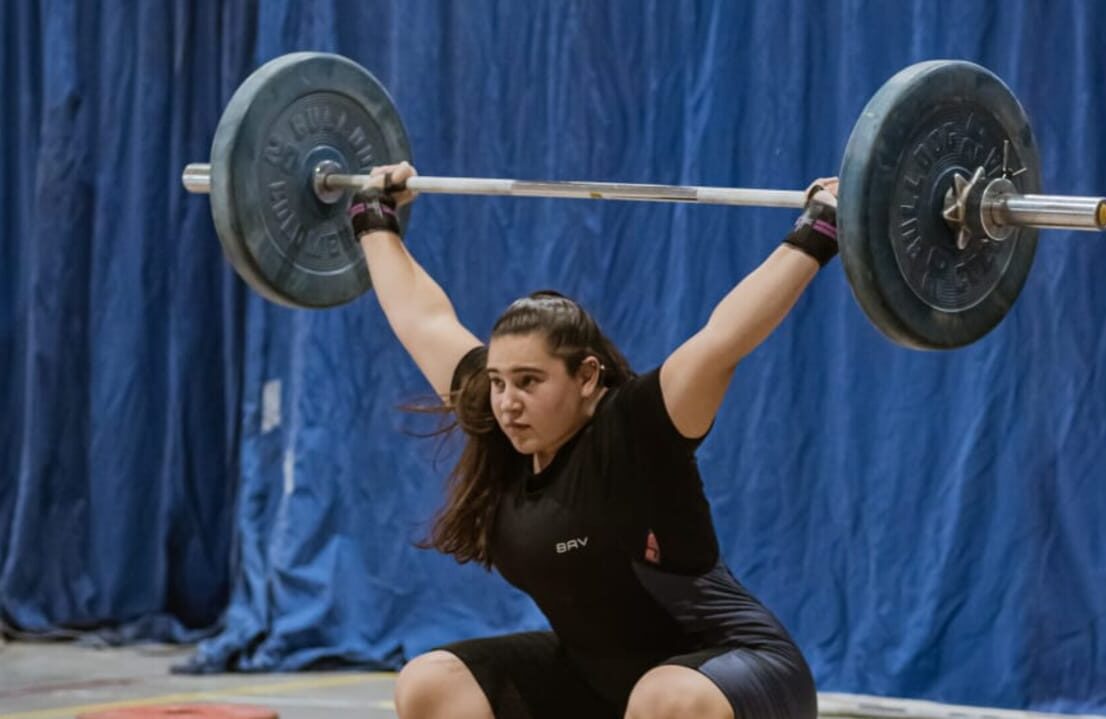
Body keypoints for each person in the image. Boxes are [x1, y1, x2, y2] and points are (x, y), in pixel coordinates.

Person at [347, 161, 839, 719]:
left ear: (586, 377)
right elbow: (422, 319)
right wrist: (371, 216)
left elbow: (723, 339)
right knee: (431, 683)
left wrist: (820, 229)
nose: (507, 402)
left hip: (734, 674)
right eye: (499, 381)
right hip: (601, 683)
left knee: (663, 698)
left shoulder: (635, 431)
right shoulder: (499, 420)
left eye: (529, 382)